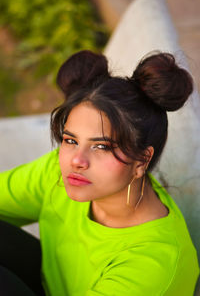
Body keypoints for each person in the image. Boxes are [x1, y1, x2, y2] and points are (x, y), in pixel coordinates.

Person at [0, 50, 199, 296]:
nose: (77, 160)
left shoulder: (152, 264)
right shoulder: (61, 171)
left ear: (141, 160)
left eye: (101, 147)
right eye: (70, 140)